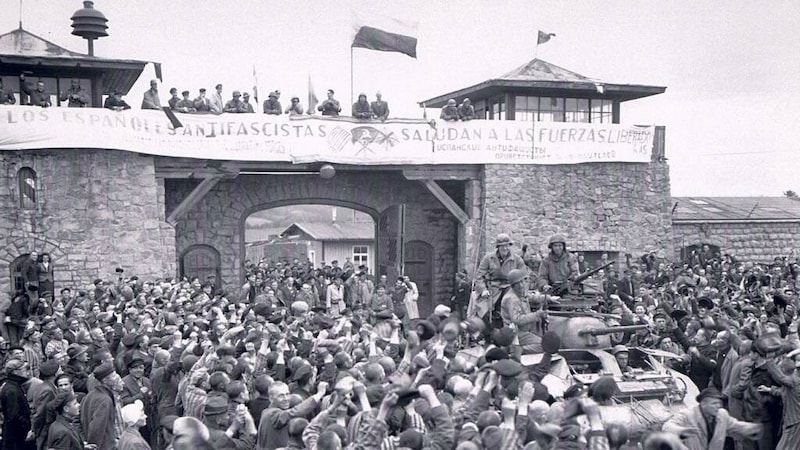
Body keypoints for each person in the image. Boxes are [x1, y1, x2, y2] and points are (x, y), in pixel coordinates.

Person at [663, 387, 762, 450]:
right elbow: (667, 426)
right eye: (714, 403)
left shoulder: (722, 415)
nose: (718, 406)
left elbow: (735, 425)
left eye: (719, 403)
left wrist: (751, 428)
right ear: (703, 404)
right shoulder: (688, 415)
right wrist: (681, 431)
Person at [472, 233, 527, 331]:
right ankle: (487, 331)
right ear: (498, 247)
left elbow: (524, 277)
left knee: (513, 305)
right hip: (493, 288)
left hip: (511, 287)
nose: (505, 248)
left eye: (507, 245)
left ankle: (510, 329)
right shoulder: (489, 258)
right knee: (482, 308)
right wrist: (483, 290)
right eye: (502, 246)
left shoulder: (517, 260)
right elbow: (479, 276)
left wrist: (522, 290)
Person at [499, 269, 547, 354]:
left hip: (525, 330)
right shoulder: (512, 298)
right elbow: (517, 319)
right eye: (518, 284)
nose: (521, 285)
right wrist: (537, 315)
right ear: (513, 285)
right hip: (516, 333)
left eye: (522, 282)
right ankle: (516, 350)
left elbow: (530, 297)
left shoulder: (519, 293)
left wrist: (548, 298)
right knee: (544, 345)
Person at [0, 359, 33, 450]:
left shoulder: (14, 386)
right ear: (15, 371)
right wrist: (26, 426)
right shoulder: (11, 390)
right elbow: (13, 415)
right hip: (15, 436)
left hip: (15, 434)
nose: (28, 372)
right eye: (25, 369)